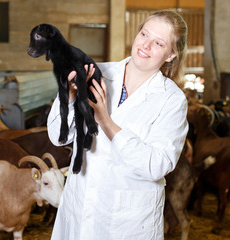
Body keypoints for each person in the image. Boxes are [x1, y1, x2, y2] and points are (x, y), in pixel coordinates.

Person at [47, 9, 189, 240]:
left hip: (128, 223)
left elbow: (157, 165)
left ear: (171, 55)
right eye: (144, 34)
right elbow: (58, 137)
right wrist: (70, 97)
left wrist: (105, 121)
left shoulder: (171, 100)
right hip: (79, 208)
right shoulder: (96, 72)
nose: (146, 45)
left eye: (159, 43)